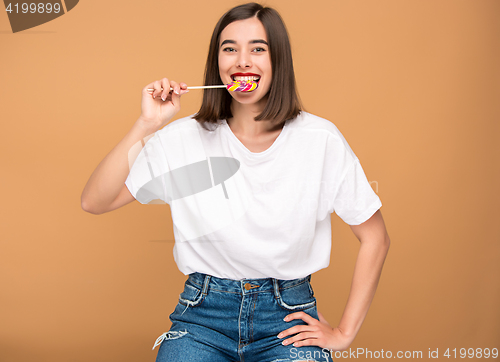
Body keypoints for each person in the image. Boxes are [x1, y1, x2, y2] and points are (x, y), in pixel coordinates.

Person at [81, 3, 390, 362]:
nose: (242, 61)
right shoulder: (183, 138)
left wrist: (344, 333)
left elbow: (376, 238)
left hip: (287, 319)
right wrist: (147, 124)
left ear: (279, 62)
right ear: (218, 63)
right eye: (230, 49)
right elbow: (95, 200)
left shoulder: (320, 139)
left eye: (258, 49)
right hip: (201, 319)